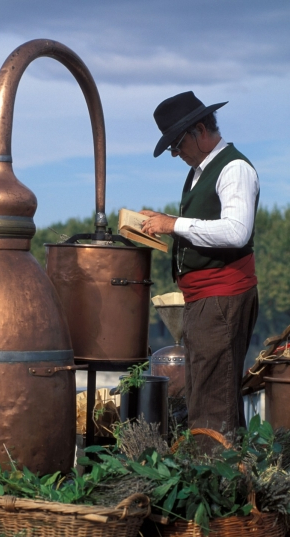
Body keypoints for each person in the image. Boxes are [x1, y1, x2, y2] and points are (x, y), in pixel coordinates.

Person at [141, 91, 259, 436]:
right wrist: (161, 224)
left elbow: (237, 232)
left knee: (211, 403)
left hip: (221, 297)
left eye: (178, 145)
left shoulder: (234, 168)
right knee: (209, 393)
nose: (177, 154)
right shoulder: (200, 170)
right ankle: (228, 478)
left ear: (201, 130)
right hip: (204, 300)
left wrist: (172, 225)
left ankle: (214, 480)